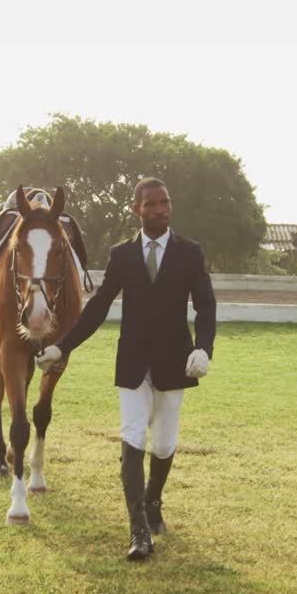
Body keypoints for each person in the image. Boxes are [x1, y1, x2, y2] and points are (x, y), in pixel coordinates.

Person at [36, 177, 216, 561]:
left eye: (165, 202)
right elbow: (98, 308)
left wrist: (204, 348)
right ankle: (138, 531)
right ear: (137, 209)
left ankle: (153, 501)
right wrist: (60, 346)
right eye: (151, 204)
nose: (160, 209)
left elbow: (206, 305)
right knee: (132, 437)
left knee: (165, 443)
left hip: (175, 363)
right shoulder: (122, 255)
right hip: (133, 362)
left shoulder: (189, 252)